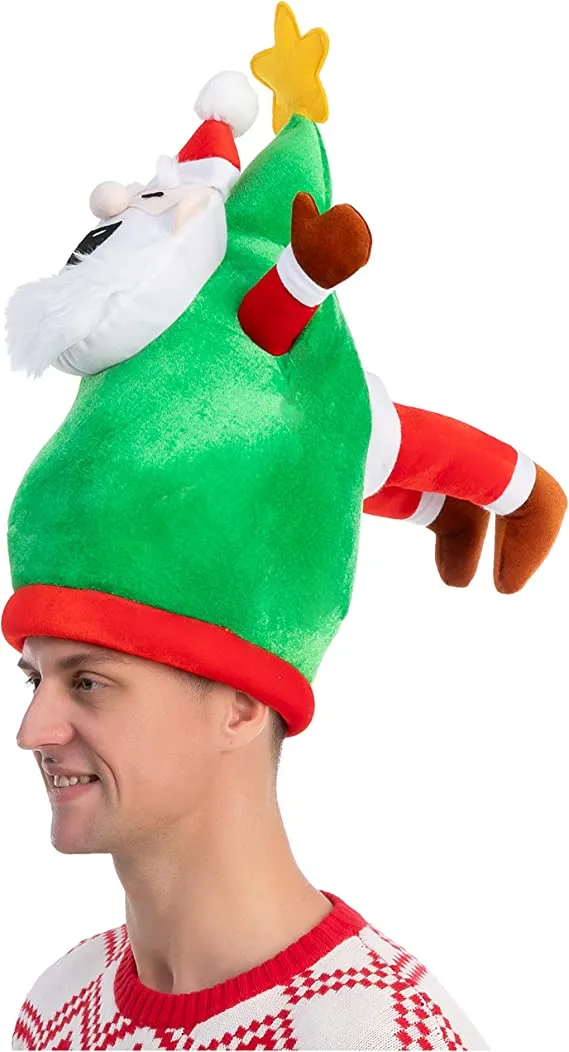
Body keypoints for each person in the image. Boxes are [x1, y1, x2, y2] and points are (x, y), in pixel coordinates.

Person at [2, 5, 564, 1048]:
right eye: (35, 676)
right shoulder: (55, 1005)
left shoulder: (379, 1034)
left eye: (89, 681)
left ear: (239, 702)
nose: (32, 728)